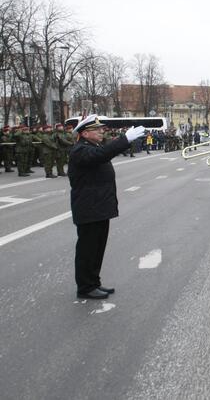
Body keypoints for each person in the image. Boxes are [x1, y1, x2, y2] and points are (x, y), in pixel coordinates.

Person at [69, 116, 146, 299]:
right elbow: (102, 155)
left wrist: (124, 142)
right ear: (85, 133)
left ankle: (94, 282)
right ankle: (85, 287)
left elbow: (104, 152)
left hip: (99, 207)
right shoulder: (80, 150)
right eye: (97, 130)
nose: (102, 131)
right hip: (89, 208)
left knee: (97, 249)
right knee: (88, 250)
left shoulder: (92, 147)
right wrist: (124, 139)